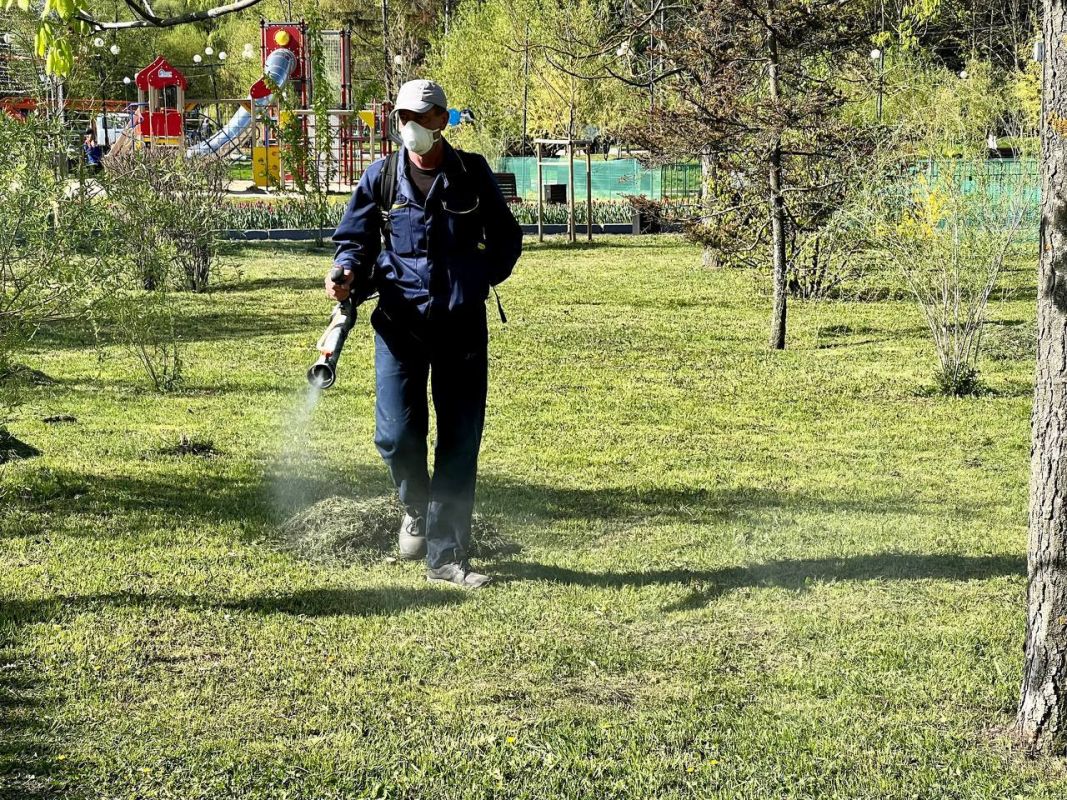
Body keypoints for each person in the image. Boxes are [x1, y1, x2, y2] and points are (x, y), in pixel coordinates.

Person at [327, 79, 522, 589]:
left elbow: (507, 239)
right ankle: (415, 507)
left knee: (459, 439)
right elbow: (354, 241)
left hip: (460, 326)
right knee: (395, 435)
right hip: (399, 325)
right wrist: (344, 271)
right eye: (401, 117)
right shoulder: (382, 177)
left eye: (419, 116)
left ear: (441, 120)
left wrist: (475, 279)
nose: (408, 126)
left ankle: (446, 555)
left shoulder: (471, 173)